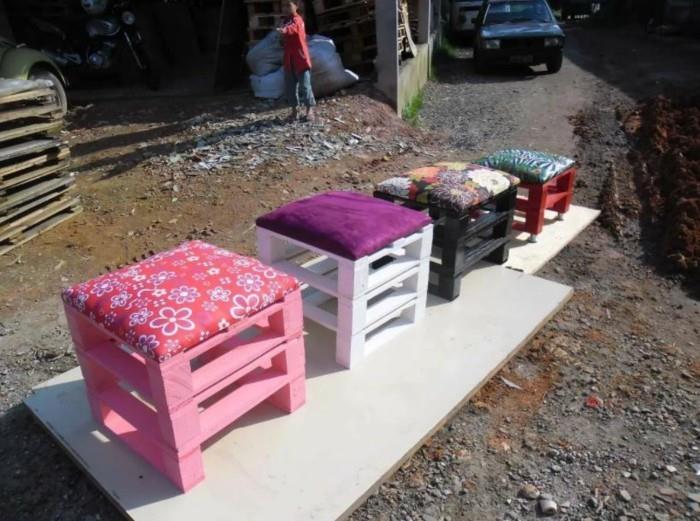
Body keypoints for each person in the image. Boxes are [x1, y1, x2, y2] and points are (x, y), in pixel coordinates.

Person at [277, 1, 316, 122]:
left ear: (296, 6)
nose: (286, 8)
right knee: (290, 87)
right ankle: (294, 112)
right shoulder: (285, 21)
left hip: (300, 58)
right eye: (284, 6)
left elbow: (294, 29)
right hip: (289, 59)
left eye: (289, 5)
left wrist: (284, 31)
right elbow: (284, 40)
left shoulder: (298, 20)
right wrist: (281, 38)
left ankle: (310, 111)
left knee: (305, 86)